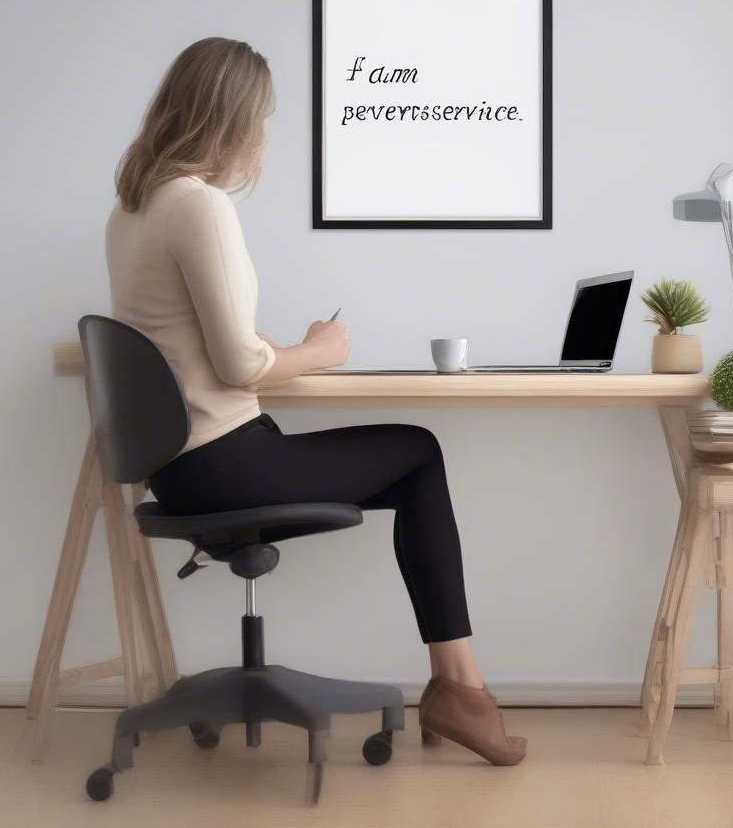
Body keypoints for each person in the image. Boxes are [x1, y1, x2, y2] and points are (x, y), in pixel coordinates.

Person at [105, 37, 526, 766]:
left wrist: (270, 348)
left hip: (175, 470)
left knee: (406, 467)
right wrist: (320, 350)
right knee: (418, 450)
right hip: (225, 461)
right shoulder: (198, 204)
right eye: (260, 119)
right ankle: (460, 689)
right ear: (231, 120)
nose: (263, 137)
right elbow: (239, 365)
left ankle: (459, 691)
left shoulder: (130, 212)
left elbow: (190, 344)